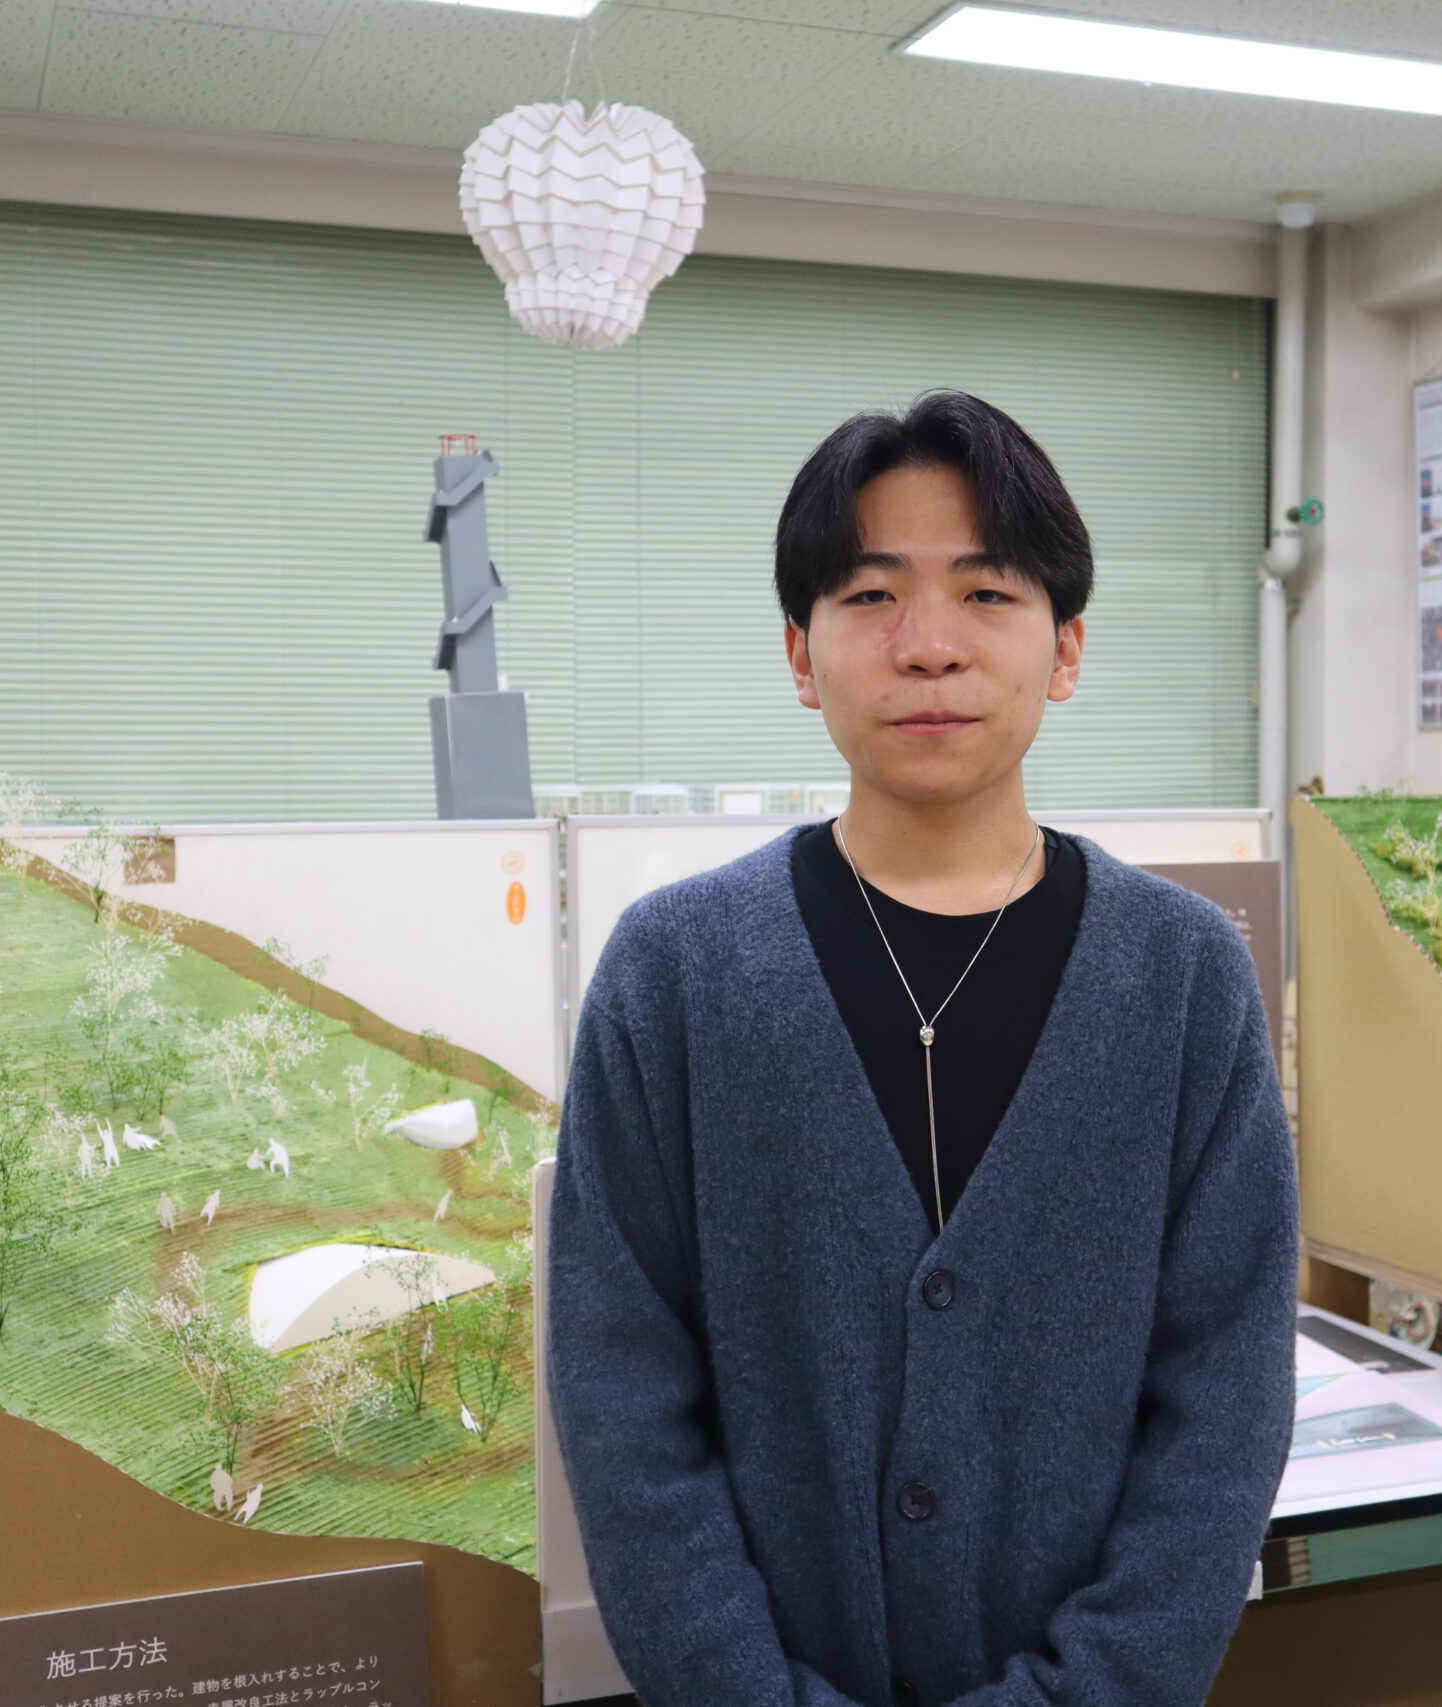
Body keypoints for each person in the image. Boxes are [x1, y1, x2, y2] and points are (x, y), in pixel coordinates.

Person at [549, 390, 1298, 1707]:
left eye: (988, 594)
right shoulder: (674, 973)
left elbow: (1223, 1404)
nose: (931, 647)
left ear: (1066, 650)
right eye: (872, 596)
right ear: (801, 655)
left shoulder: (1184, 976)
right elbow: (625, 1411)